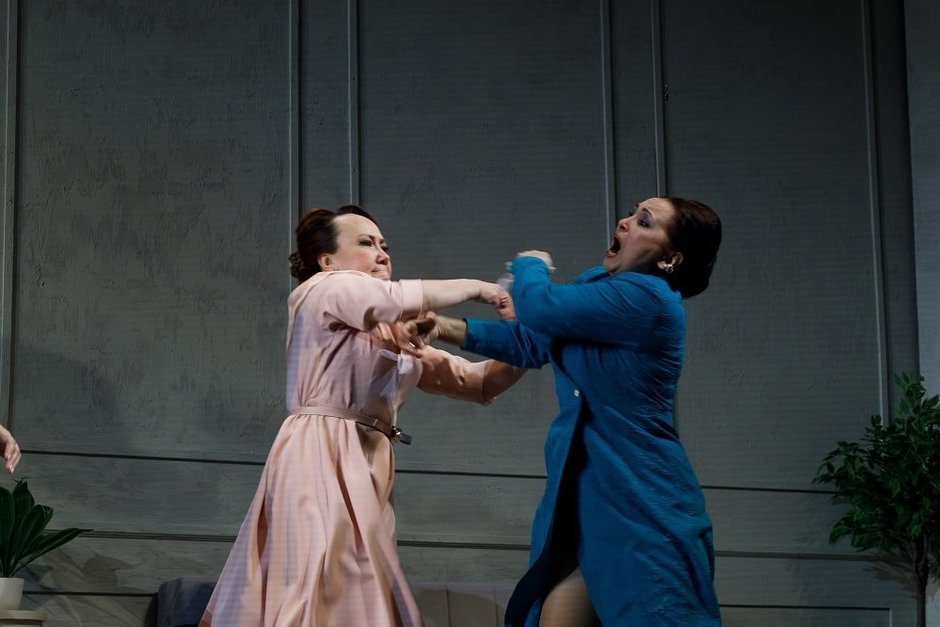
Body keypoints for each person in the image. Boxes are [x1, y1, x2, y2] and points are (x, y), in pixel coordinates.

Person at [402, 197, 723, 626]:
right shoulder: (600, 287)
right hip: (587, 503)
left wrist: (531, 264)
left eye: (644, 222)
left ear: (671, 258)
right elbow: (531, 343)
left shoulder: (651, 299)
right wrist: (443, 327)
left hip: (640, 504)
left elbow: (540, 307)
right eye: (631, 213)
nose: (625, 222)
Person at [200, 204, 522, 627]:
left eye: (384, 245)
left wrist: (519, 330)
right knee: (317, 579)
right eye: (367, 243)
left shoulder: (395, 332)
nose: (382, 254)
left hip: (368, 460)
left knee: (358, 593)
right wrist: (479, 288)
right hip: (319, 449)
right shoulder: (320, 291)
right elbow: (392, 299)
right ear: (327, 260)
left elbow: (479, 383)